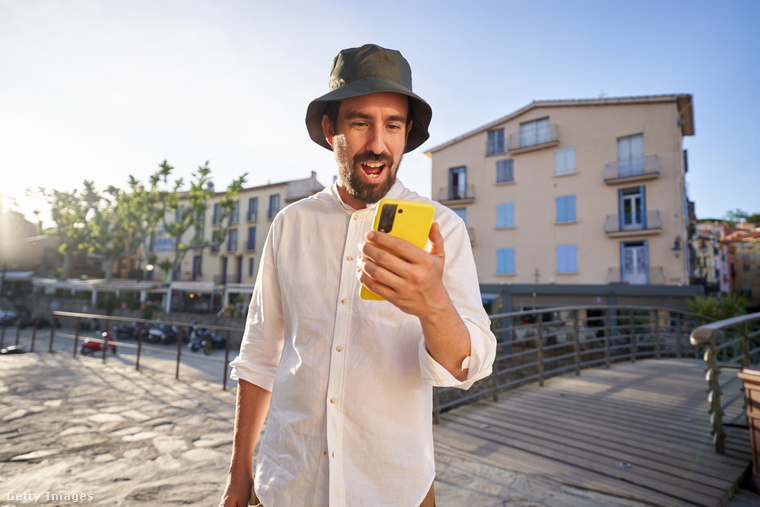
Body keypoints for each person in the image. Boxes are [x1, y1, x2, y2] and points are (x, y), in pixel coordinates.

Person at [220, 44, 496, 507]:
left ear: (407, 135)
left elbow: (467, 368)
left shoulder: (442, 228)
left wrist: (432, 304)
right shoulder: (289, 224)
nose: (377, 143)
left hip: (394, 490)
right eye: (359, 122)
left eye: (392, 125)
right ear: (331, 130)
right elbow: (260, 354)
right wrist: (238, 475)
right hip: (288, 483)